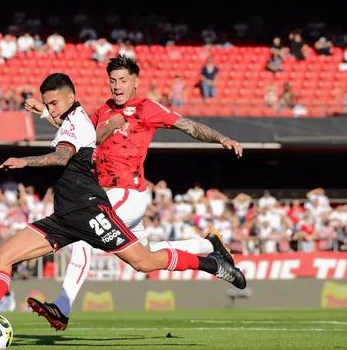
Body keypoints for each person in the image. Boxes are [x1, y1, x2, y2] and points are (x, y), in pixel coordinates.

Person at [0, 73, 245, 342]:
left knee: (144, 262)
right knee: (4, 254)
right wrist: (44, 112)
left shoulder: (85, 122)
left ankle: (213, 265)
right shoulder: (83, 118)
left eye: (54, 102)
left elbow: (60, 157)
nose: (51, 108)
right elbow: (76, 129)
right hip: (64, 217)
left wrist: (24, 160)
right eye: (49, 103)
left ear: (71, 97)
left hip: (91, 211)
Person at [25, 55, 243, 331]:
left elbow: (188, 125)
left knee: (83, 233)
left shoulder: (146, 108)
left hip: (127, 192)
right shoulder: (103, 110)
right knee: (146, 259)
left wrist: (221, 138)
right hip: (108, 195)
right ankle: (210, 249)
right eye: (113, 81)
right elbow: (79, 134)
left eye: (123, 80)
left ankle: (62, 308)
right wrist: (44, 113)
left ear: (135, 83)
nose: (117, 86)